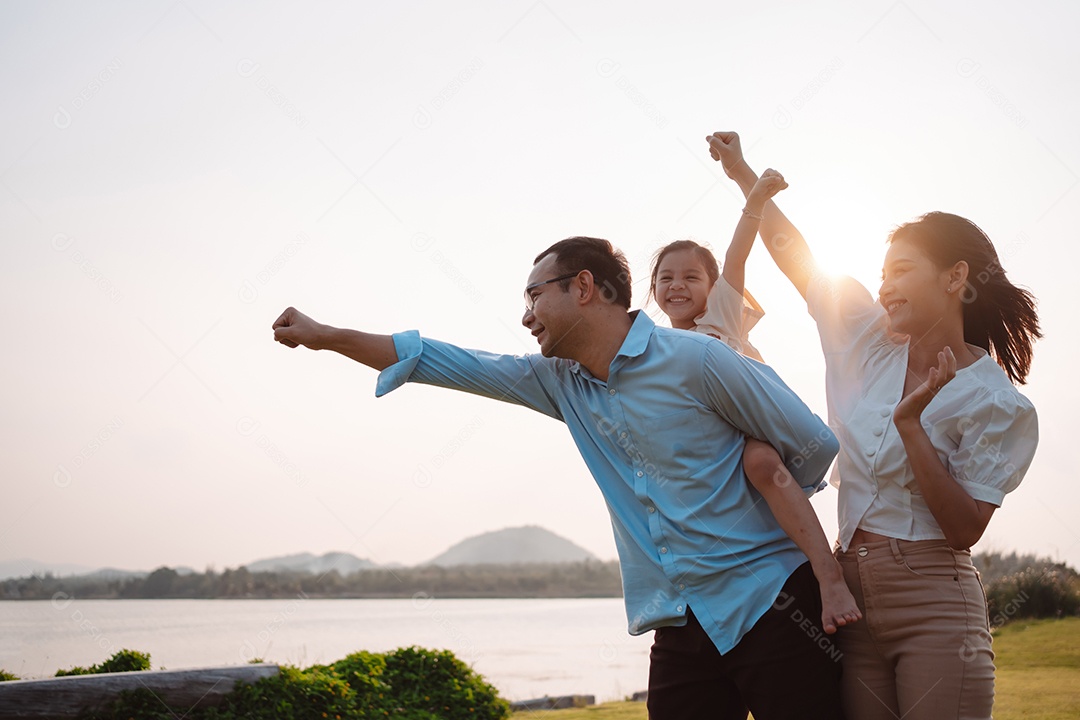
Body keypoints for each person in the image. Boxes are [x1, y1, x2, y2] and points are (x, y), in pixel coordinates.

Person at [272, 234, 846, 719]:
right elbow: (442, 360)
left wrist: (757, 474)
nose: (526, 315)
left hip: (773, 604)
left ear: (584, 287)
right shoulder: (559, 381)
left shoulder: (698, 359)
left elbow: (813, 445)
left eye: (534, 295)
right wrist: (326, 337)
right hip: (679, 620)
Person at [706, 130, 1040, 720]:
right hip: (851, 597)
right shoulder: (866, 341)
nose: (885, 286)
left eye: (902, 270)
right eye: (882, 273)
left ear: (955, 277)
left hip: (934, 602)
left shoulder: (994, 400)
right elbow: (799, 258)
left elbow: (964, 528)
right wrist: (742, 174)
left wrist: (911, 426)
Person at [650, 168, 861, 636]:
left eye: (690, 277)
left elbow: (737, 254)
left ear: (714, 288)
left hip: (756, 429)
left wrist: (756, 199)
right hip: (714, 448)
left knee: (762, 464)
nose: (677, 285)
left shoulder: (719, 317)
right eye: (666, 278)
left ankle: (828, 575)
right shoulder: (657, 350)